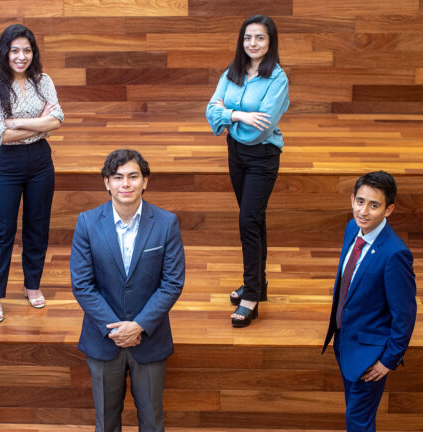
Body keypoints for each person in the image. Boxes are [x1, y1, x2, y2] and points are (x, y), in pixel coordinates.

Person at [70, 149, 185, 432]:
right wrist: (116, 330)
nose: (126, 184)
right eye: (118, 177)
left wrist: (139, 326)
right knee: (106, 423)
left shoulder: (166, 222)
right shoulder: (87, 222)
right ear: (107, 183)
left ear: (145, 181)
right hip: (103, 340)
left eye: (133, 176)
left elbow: (172, 283)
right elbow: (82, 284)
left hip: (149, 339)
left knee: (152, 422)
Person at [205, 15, 289, 327]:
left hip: (262, 156)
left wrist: (227, 116)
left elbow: (261, 128)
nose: (253, 43)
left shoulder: (277, 79)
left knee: (248, 221)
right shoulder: (233, 72)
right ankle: (258, 283)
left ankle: (251, 297)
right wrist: (239, 115)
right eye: (247, 38)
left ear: (271, 42)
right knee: (254, 219)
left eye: (260, 38)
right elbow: (211, 111)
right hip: (235, 154)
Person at [322, 171, 417, 432]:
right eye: (360, 201)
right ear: (352, 199)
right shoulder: (352, 228)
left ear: (389, 210)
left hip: (369, 357)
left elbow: (405, 314)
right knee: (356, 416)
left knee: (358, 423)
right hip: (345, 343)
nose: (363, 211)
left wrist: (388, 360)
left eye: (374, 205)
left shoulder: (395, 254)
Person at [0, 23, 64, 321]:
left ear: (34, 53)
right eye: (15, 50)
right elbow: (0, 135)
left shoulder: (44, 81)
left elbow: (57, 120)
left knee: (37, 227)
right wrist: (38, 124)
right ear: (5, 53)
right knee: (3, 230)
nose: (21, 56)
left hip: (41, 162)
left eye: (27, 50)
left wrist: (16, 122)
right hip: (8, 164)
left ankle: (32, 285)